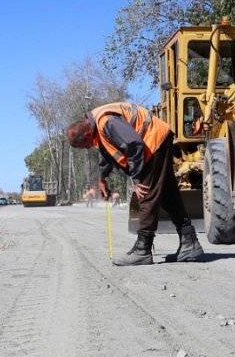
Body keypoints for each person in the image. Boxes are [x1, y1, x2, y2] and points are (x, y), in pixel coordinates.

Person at [66, 102, 204, 266]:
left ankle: (142, 250)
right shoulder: (97, 124)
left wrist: (137, 179)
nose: (88, 148)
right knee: (168, 194)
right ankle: (189, 242)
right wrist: (102, 177)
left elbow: (134, 144)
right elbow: (107, 151)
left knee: (146, 194)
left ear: (88, 134)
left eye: (85, 145)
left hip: (153, 141)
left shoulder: (107, 122)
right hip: (158, 139)